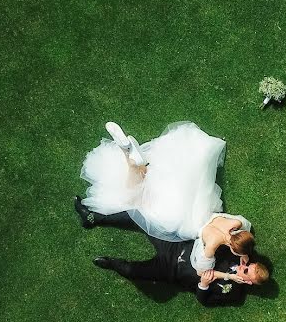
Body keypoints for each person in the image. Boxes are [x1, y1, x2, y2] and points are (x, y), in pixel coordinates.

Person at [75, 208, 269, 306]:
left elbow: (205, 301)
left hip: (171, 270)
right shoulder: (242, 252)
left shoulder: (233, 293)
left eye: (246, 271)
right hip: (177, 246)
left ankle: (110, 263)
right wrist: (243, 253)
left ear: (249, 283)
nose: (244, 266)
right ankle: (93, 217)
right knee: (143, 220)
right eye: (249, 265)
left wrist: (203, 284)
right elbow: (240, 234)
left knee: (132, 271)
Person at [79, 121, 228, 242]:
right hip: (179, 215)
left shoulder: (236, 224)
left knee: (146, 190)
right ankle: (131, 161)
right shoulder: (218, 240)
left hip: (190, 206)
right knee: (134, 201)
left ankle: (134, 161)